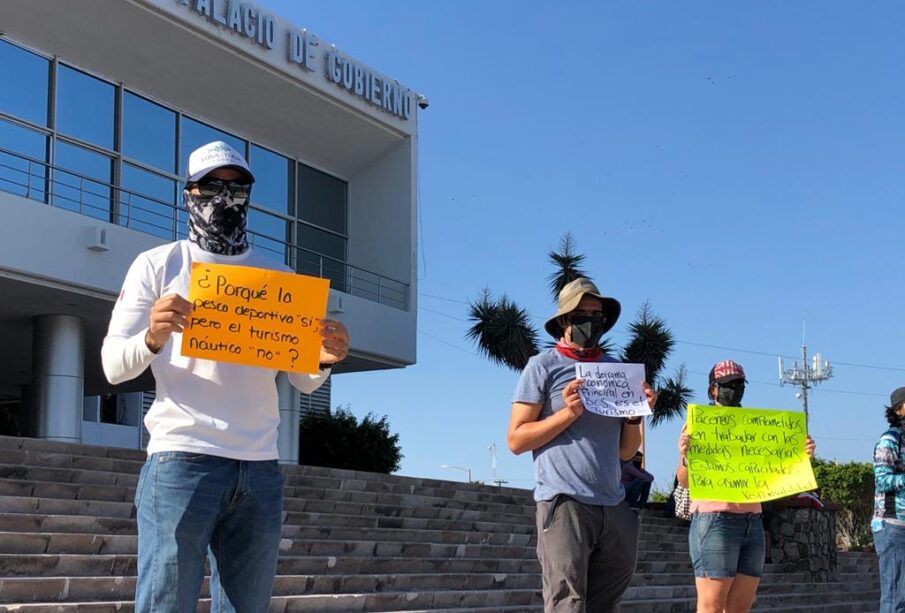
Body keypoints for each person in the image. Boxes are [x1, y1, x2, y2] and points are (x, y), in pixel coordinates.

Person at [101, 141, 350, 613]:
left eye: (238, 187)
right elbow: (114, 367)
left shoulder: (279, 278)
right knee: (164, 605)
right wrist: (152, 337)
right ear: (189, 193)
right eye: (212, 185)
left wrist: (325, 358)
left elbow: (301, 381)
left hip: (259, 467)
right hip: (181, 459)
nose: (225, 197)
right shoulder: (159, 264)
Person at [508, 277, 656, 613]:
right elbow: (516, 439)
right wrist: (568, 415)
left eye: (597, 315)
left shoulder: (617, 371)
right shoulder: (542, 367)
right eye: (582, 314)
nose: (591, 321)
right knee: (567, 603)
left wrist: (635, 416)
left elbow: (624, 452)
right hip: (565, 502)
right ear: (564, 321)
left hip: (612, 501)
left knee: (605, 601)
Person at [677, 360, 815, 613]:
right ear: (713, 390)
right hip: (715, 519)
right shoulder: (698, 425)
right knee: (711, 606)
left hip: (753, 521)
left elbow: (779, 478)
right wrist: (686, 456)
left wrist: (801, 459)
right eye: (728, 385)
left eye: (740, 384)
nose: (735, 389)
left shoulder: (758, 427)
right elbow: (685, 481)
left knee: (741, 607)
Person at [872, 386, 905, 613]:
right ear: (899, 409)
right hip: (894, 526)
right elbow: (882, 480)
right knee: (895, 598)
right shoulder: (890, 439)